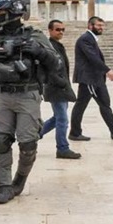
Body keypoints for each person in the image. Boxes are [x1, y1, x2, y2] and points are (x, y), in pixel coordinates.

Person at [0, 0, 63, 205]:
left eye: (1, 12)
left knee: (28, 143)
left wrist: (39, 52)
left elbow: (56, 64)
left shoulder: (35, 36)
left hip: (27, 94)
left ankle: (19, 179)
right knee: (1, 140)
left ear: (14, 13)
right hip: (2, 94)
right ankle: (3, 185)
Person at [68, 16, 113, 142]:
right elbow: (92, 58)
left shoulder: (91, 39)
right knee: (85, 105)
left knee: (103, 103)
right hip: (90, 78)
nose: (101, 28)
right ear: (90, 26)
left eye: (102, 26)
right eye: (98, 25)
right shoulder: (85, 39)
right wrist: (107, 70)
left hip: (95, 78)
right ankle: (75, 133)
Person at [39, 20, 81, 159]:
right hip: (56, 88)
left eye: (63, 29)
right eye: (58, 29)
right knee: (62, 119)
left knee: (57, 118)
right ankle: (62, 148)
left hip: (61, 87)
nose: (61, 32)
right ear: (50, 31)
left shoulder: (57, 46)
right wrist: (61, 82)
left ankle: (33, 136)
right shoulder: (49, 47)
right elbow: (50, 69)